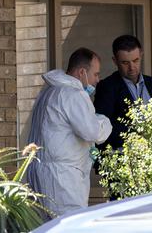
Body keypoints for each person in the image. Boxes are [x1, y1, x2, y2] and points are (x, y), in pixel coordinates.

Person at [26, 47, 112, 218]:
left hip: (46, 174)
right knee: (68, 225)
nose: (97, 80)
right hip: (63, 179)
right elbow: (94, 132)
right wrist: (104, 121)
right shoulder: (72, 94)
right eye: (95, 74)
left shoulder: (49, 92)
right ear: (82, 72)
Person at [93, 35, 152, 151]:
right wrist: (139, 136)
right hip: (126, 160)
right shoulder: (107, 87)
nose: (132, 67)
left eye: (135, 60)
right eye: (125, 63)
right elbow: (103, 129)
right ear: (115, 61)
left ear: (141, 55)